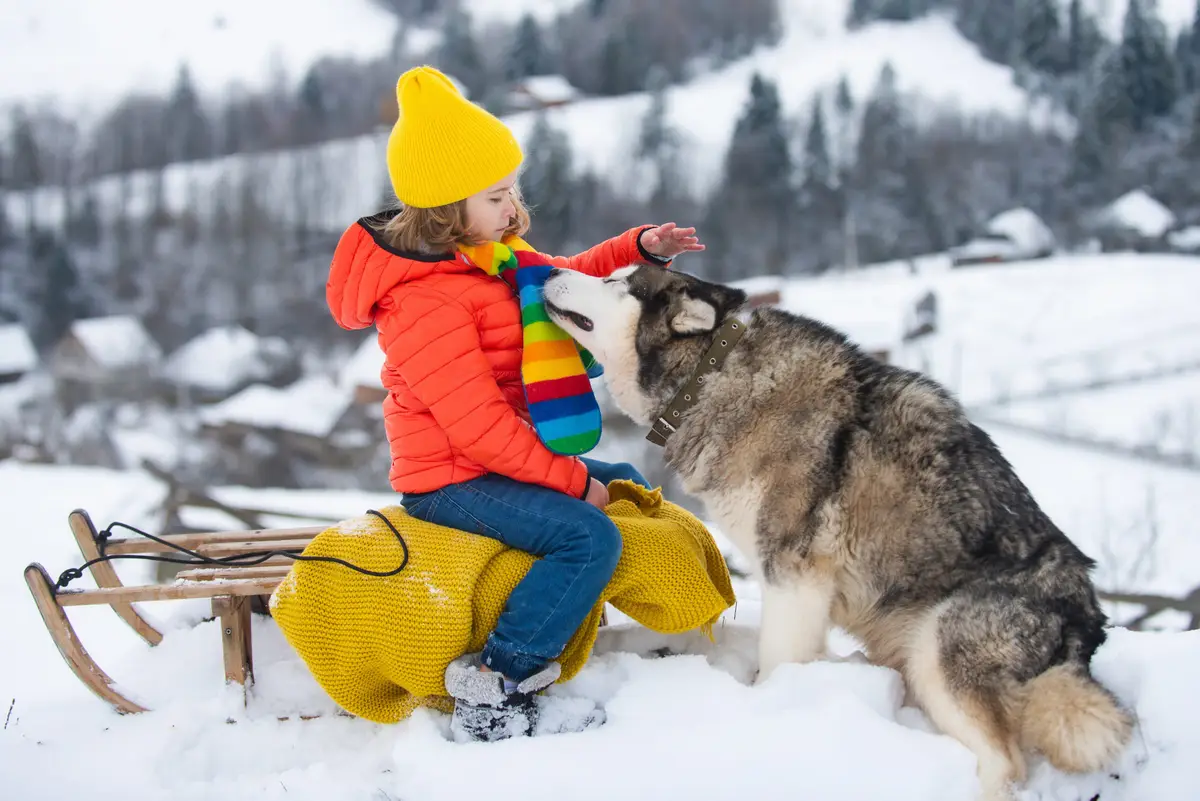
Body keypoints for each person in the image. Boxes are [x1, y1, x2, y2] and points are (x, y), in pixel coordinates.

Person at [325, 65, 704, 741]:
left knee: (627, 483)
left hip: (497, 462)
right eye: (496, 195)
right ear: (446, 208)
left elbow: (565, 284)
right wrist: (572, 482)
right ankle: (497, 682)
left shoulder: (493, 258)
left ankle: (609, 630)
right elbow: (476, 428)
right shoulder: (424, 300)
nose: (512, 206)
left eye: (511, 190)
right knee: (587, 534)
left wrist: (637, 250)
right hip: (453, 478)